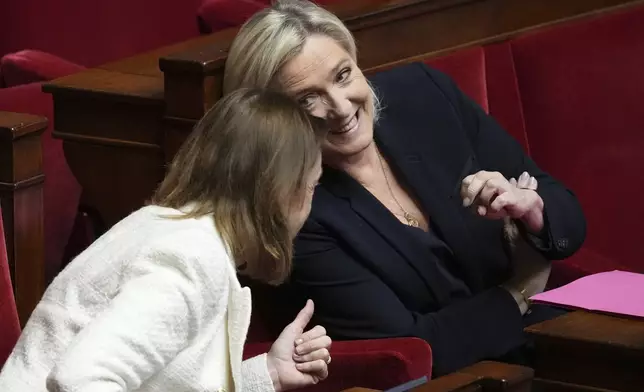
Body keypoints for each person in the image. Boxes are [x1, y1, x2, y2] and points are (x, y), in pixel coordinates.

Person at [222, 0, 586, 376]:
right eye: (307, 100)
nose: (341, 107)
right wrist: (521, 289)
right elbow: (413, 347)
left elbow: (567, 215)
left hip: (553, 341)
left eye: (343, 75)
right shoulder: (296, 213)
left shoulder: (423, 96)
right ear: (270, 120)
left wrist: (533, 211)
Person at [0, 88, 332, 392]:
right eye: (312, 185)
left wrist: (268, 374)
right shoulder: (194, 259)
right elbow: (82, 379)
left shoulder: (169, 226)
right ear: (280, 190)